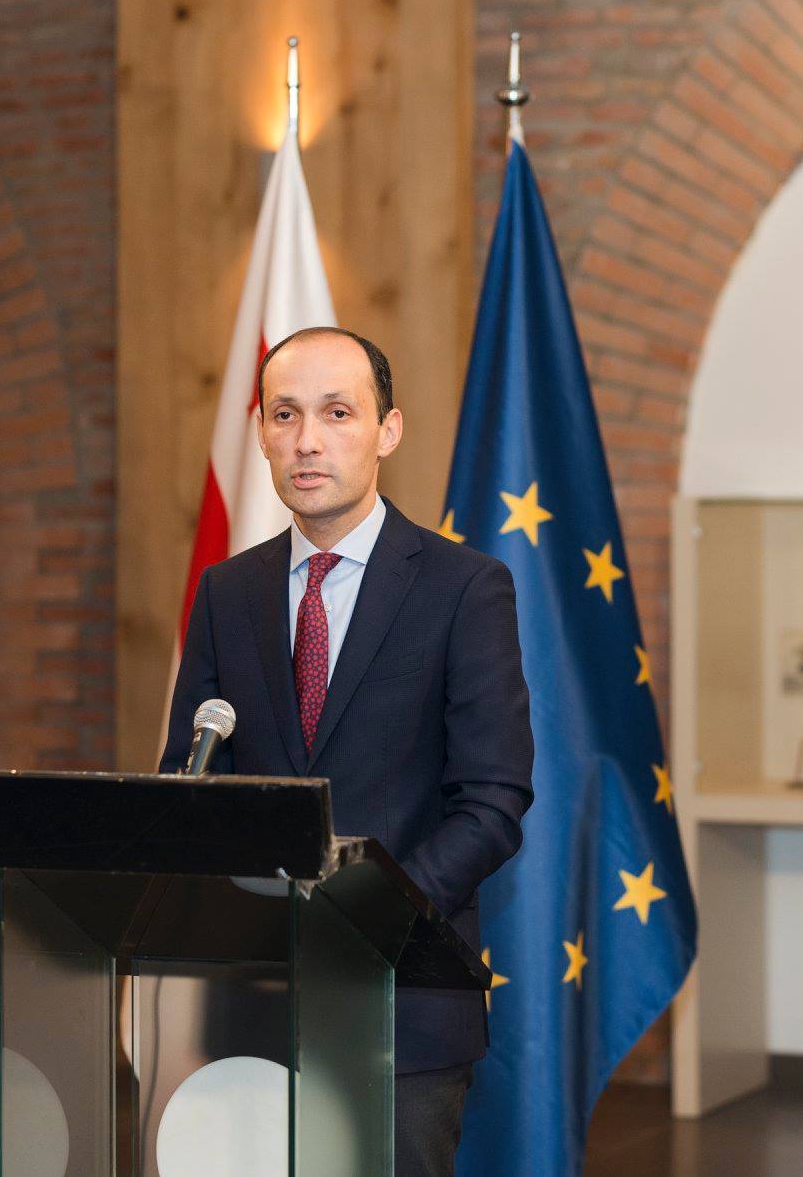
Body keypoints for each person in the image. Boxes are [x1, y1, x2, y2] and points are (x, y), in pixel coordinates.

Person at [159, 325, 535, 1176]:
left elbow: (493, 802)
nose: (307, 440)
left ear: (387, 431)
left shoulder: (465, 588)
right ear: (261, 435)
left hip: (402, 996)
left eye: (337, 413)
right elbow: (192, 781)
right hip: (253, 1002)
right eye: (285, 414)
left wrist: (366, 917)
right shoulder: (226, 592)